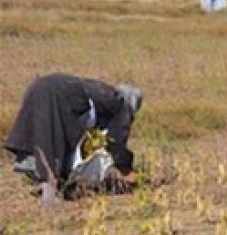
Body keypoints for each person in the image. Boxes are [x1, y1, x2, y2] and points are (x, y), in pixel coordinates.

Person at [5, 73, 142, 194]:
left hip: (38, 88)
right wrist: (126, 169)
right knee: (53, 136)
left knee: (42, 132)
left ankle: (51, 180)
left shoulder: (105, 95)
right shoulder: (121, 104)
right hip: (59, 94)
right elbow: (115, 143)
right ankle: (50, 192)